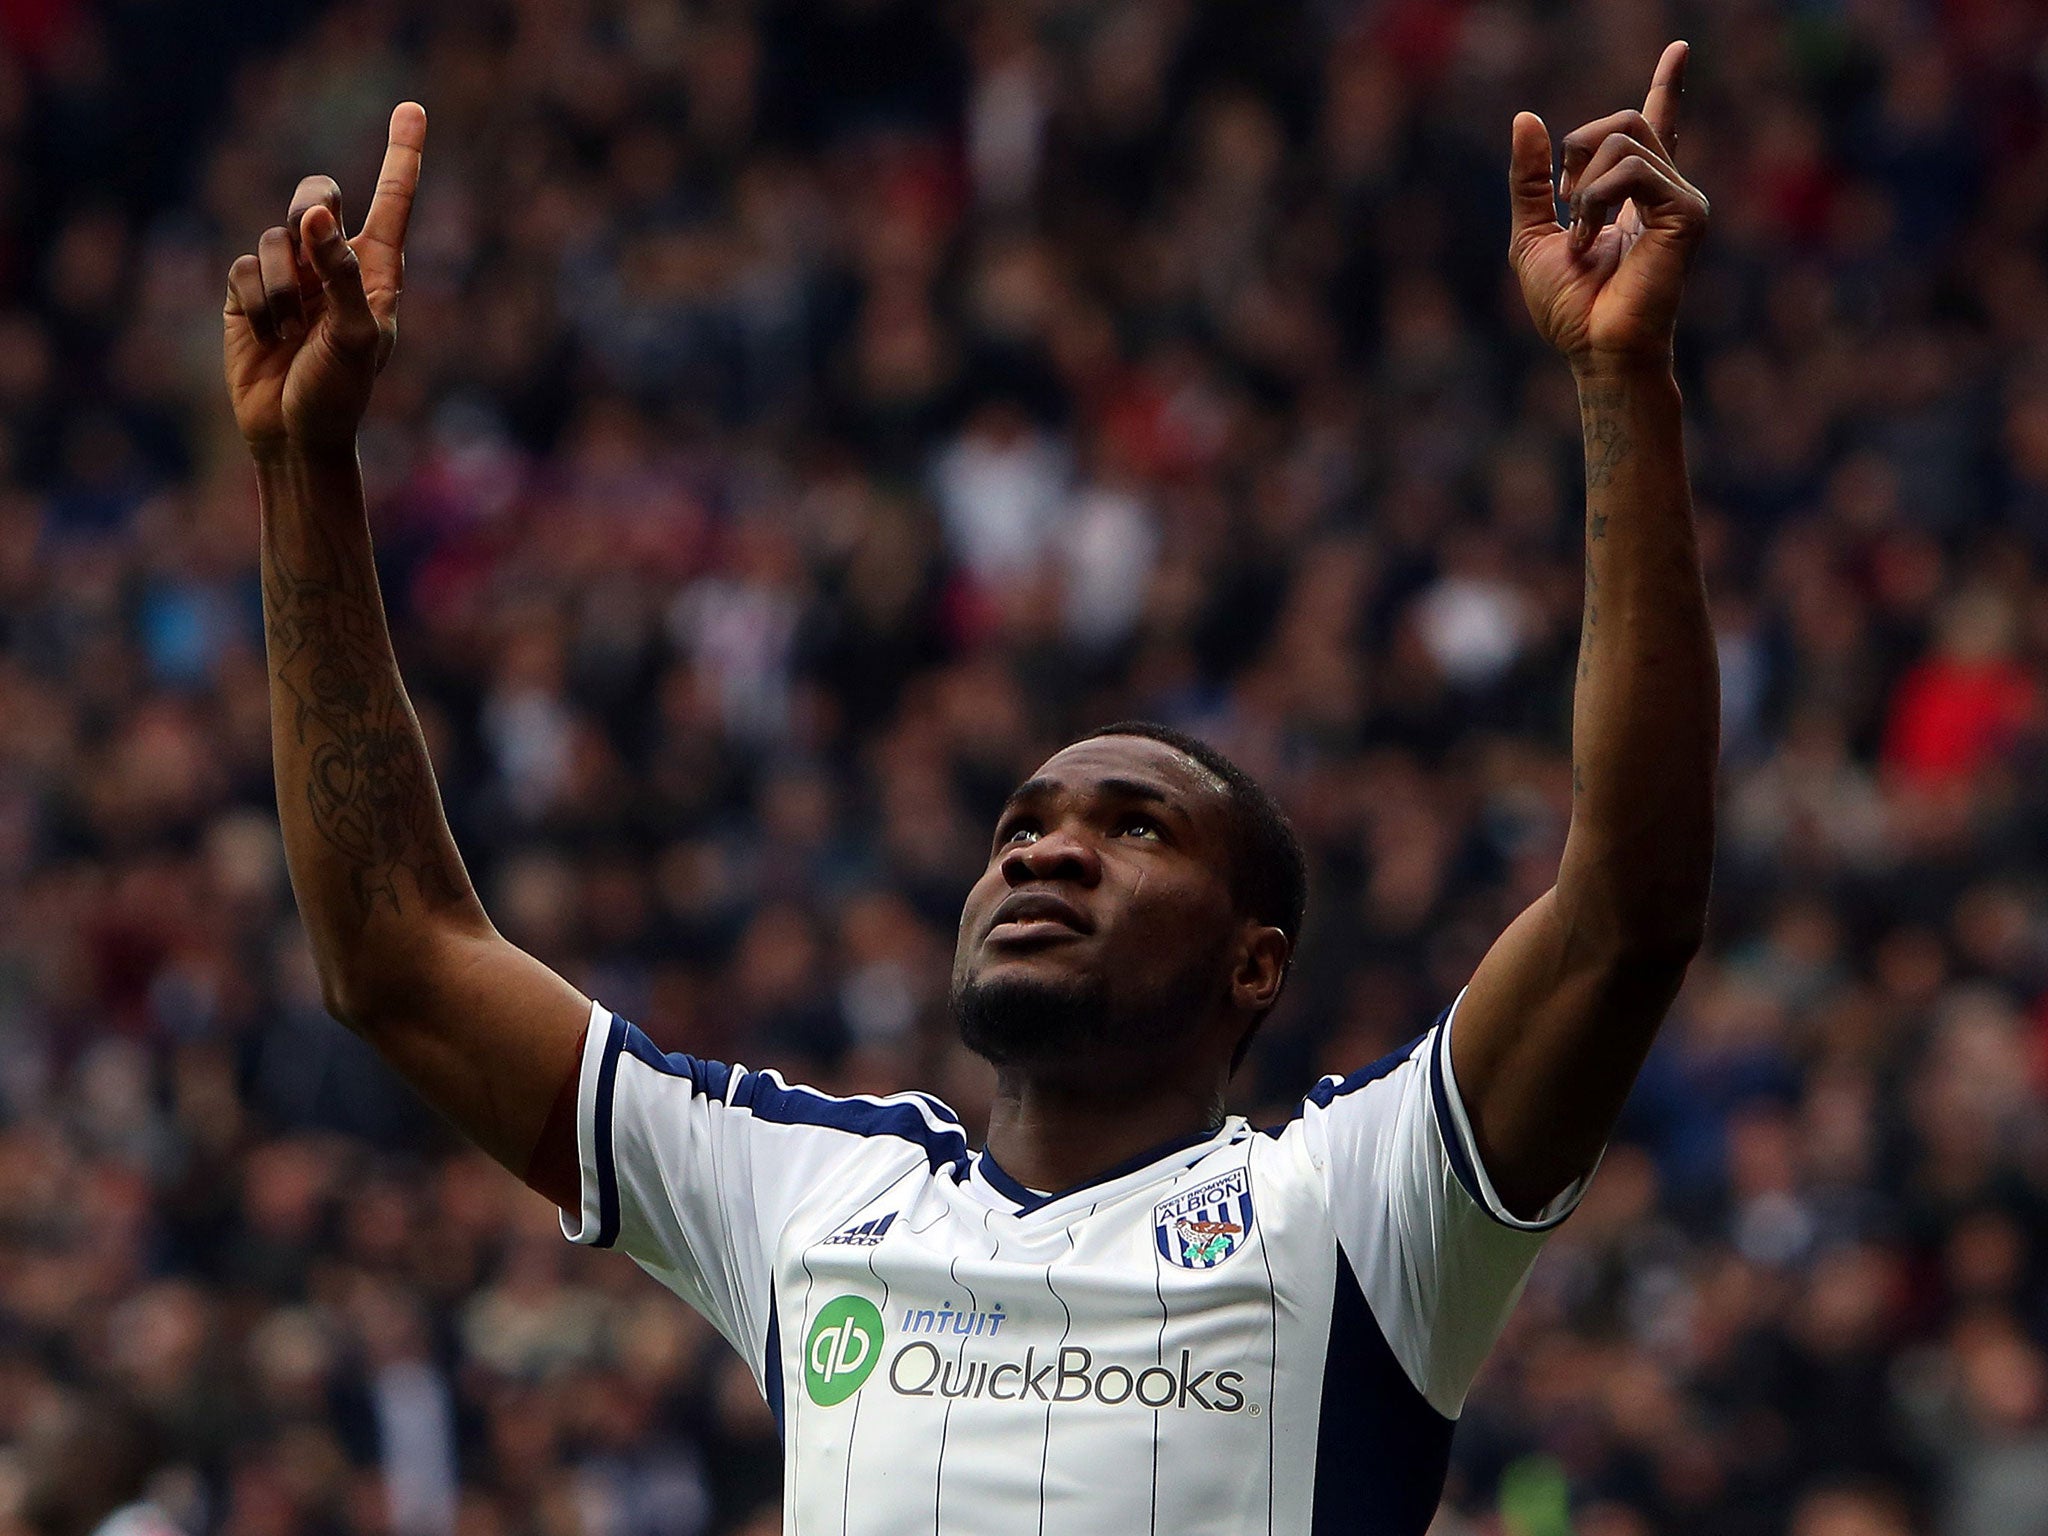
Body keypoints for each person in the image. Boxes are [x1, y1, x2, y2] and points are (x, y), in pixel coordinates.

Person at [221, 39, 1713, 1536]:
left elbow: (1621, 918)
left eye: (1136, 830)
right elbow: (400, 955)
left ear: (1257, 966)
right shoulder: (816, 1198)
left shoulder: (1354, 1213)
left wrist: (1622, 381)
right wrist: (305, 468)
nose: (1047, 856)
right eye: (1021, 829)